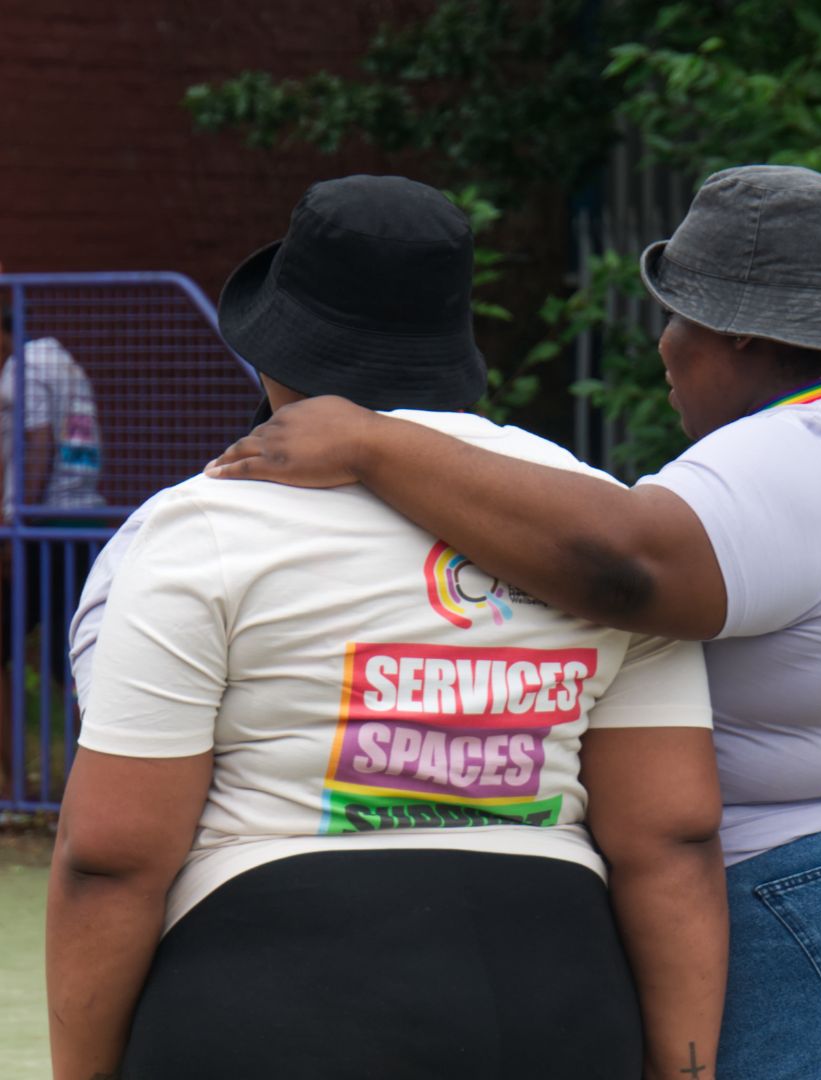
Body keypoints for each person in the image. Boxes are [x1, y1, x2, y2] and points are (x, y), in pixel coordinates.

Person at [207, 165, 821, 1079]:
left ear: (737, 330)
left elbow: (623, 567)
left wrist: (371, 443)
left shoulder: (802, 453)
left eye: (677, 318)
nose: (663, 347)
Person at [48, 174, 726, 1080]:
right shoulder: (599, 525)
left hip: (272, 999)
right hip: (558, 995)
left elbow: (112, 857)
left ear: (273, 356)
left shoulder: (203, 524)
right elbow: (671, 837)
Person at [0, 308, 104, 798]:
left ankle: (20, 789)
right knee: (70, 656)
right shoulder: (63, 362)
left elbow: (38, 439)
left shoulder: (25, 366)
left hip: (42, 528)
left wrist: (15, 518)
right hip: (81, 522)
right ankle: (91, 785)